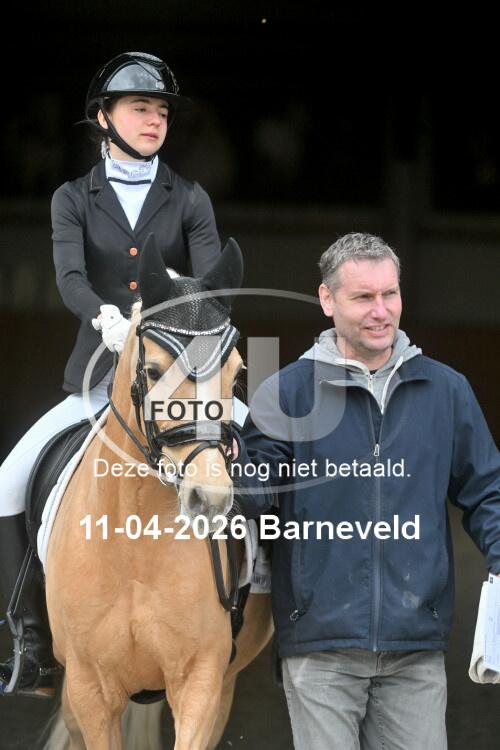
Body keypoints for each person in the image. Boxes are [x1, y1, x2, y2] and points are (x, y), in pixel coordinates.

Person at [0, 51, 222, 695]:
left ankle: (260, 609)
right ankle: (32, 641)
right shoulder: (72, 198)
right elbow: (69, 276)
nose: (155, 121)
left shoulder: (190, 198)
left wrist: (168, 305)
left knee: (260, 459)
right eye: (140, 108)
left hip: (179, 378)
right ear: (103, 117)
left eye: (162, 112)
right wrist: (104, 317)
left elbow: (212, 282)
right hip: (97, 378)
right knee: (7, 484)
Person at [233, 232, 500, 749]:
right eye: (363, 297)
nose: (381, 311)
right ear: (327, 299)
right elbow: (255, 492)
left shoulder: (446, 391)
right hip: (320, 648)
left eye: (390, 294)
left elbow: (488, 489)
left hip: (415, 648)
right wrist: (228, 466)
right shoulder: (288, 392)